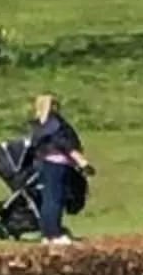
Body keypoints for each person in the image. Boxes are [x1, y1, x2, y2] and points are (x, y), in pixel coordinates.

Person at [23, 93, 93, 245]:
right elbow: (65, 145)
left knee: (48, 199)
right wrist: (82, 162)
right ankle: (55, 234)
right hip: (57, 165)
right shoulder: (55, 125)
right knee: (55, 199)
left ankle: (48, 233)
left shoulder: (39, 126)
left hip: (43, 164)